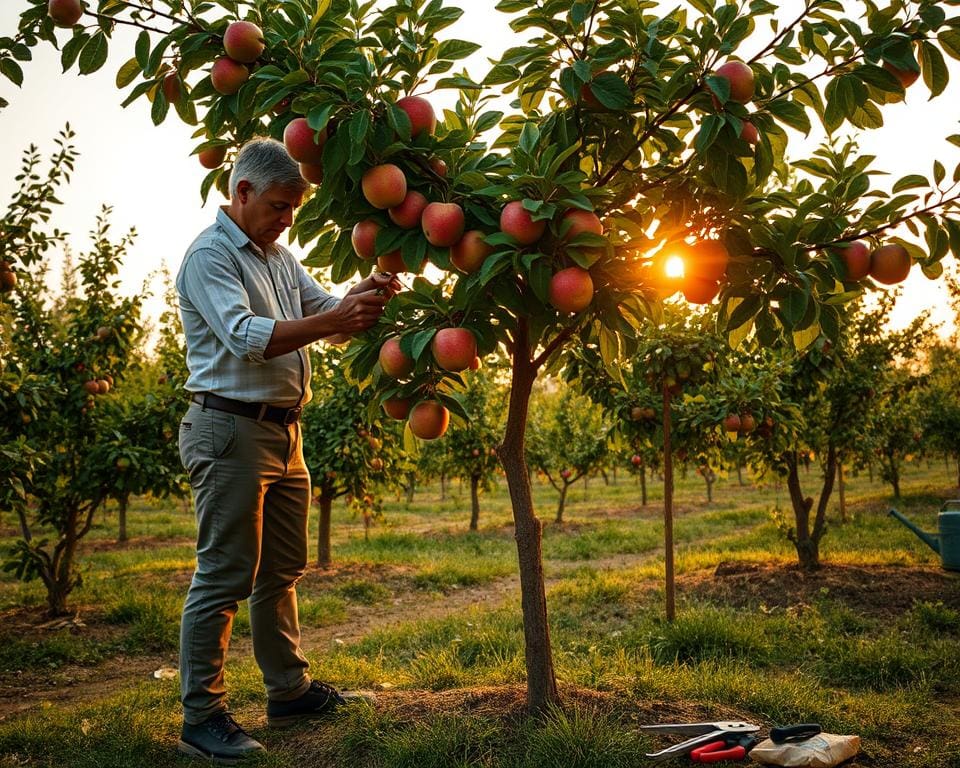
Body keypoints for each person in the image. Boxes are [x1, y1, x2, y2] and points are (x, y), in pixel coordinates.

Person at [175, 137, 399, 763]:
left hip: (283, 431)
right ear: (242, 191)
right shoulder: (210, 256)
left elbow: (325, 311)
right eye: (277, 206)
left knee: (282, 570)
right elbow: (246, 337)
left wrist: (363, 294)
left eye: (292, 210)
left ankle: (289, 691)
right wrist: (334, 321)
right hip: (229, 429)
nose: (285, 220)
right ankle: (202, 717)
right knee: (224, 573)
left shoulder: (278, 256)